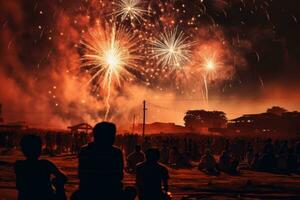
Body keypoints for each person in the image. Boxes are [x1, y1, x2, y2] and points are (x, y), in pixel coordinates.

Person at [76, 122, 135, 200]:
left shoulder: (84, 150)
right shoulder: (116, 152)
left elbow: (81, 174)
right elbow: (119, 175)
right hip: (111, 192)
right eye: (113, 134)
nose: (114, 137)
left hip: (88, 190)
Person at [14, 134, 67, 200]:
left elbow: (20, 185)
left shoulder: (19, 165)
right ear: (39, 149)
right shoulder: (45, 164)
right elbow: (63, 177)